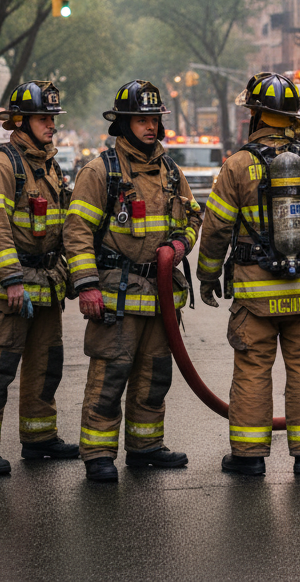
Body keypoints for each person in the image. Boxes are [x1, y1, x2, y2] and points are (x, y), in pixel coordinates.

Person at [197, 72, 300, 476]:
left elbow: (215, 230)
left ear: (256, 116)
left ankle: (248, 458)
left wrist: (207, 279)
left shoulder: (237, 167)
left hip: (256, 292)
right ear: (294, 118)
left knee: (252, 370)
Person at [65, 80, 202, 483]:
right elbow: (76, 232)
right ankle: (99, 454)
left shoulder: (170, 171)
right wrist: (87, 285)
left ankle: (145, 448)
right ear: (122, 124)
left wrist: (180, 245)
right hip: (116, 296)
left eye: (155, 120)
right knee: (110, 377)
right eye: (141, 120)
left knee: (155, 377)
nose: (150, 127)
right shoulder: (100, 171)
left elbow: (194, 217)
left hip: (160, 297)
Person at [0, 81, 78, 476]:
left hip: (46, 283)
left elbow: (61, 225)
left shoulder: (48, 165)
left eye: (53, 118)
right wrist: (11, 278)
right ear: (20, 121)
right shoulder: (1, 165)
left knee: (47, 366)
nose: (51, 125)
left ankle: (39, 438)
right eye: (44, 118)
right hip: (9, 288)